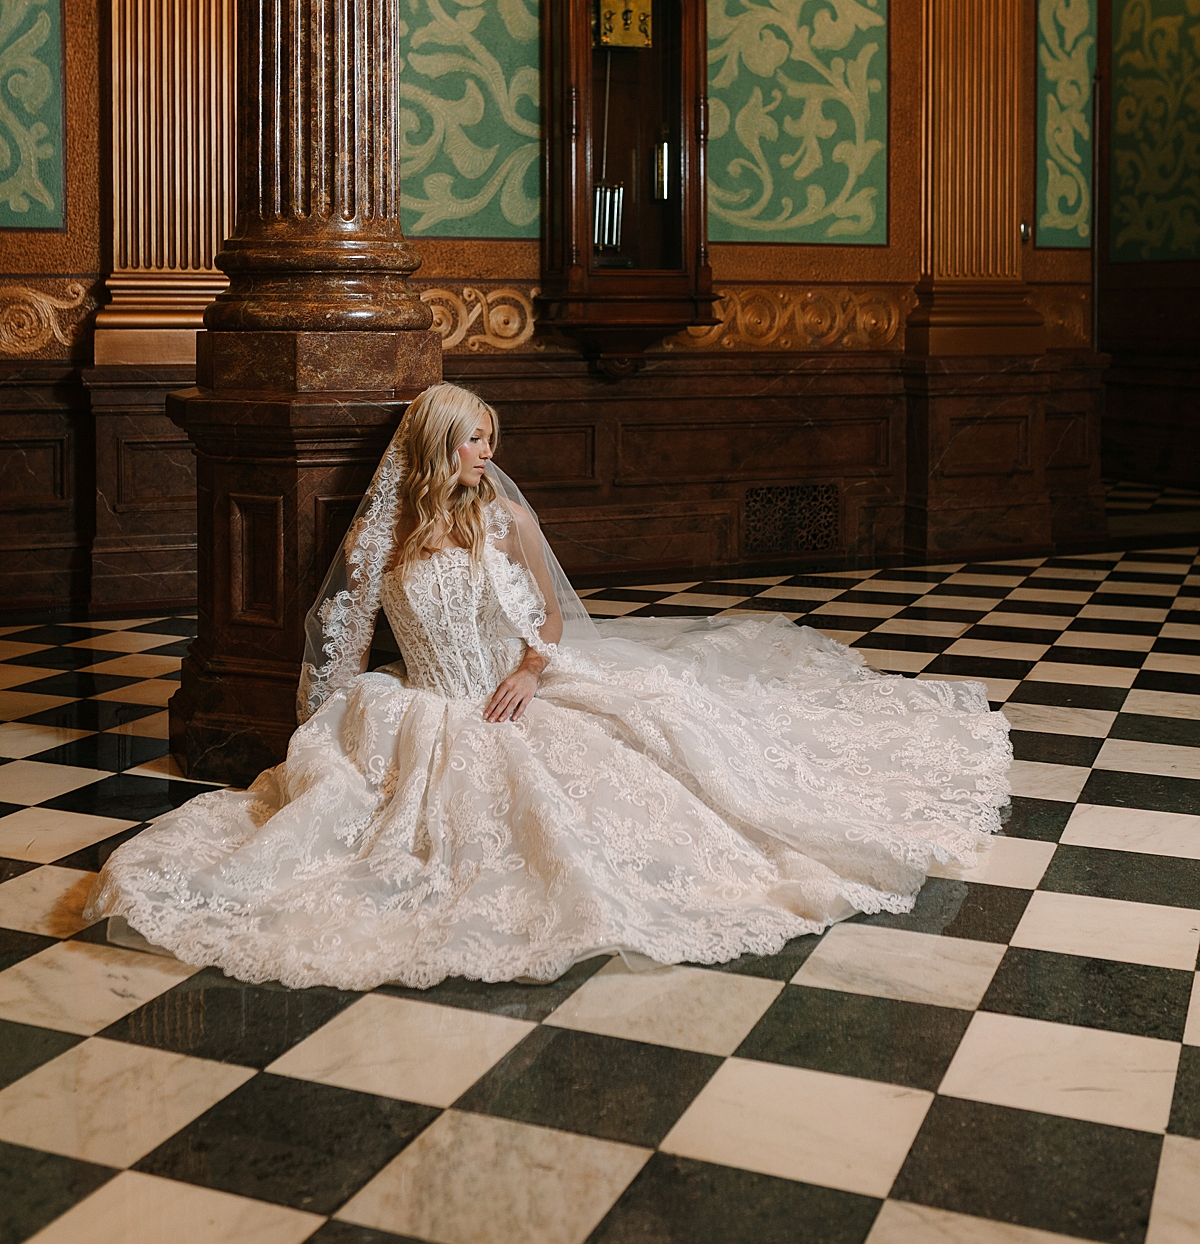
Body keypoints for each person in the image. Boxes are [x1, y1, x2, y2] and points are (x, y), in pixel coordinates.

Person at [85, 384, 1011, 991]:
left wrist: (530, 670)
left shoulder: (506, 518)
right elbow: (339, 629)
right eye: (476, 439)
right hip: (424, 705)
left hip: (508, 689)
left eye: (492, 438)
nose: (488, 453)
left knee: (659, 769)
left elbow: (554, 620)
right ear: (440, 444)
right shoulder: (386, 532)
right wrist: (329, 719)